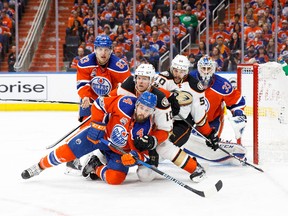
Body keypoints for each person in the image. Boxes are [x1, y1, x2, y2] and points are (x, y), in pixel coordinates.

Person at [101, 63, 207, 183]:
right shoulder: (128, 84)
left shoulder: (160, 100)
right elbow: (111, 98)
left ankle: (194, 167)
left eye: (145, 79)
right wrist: (103, 101)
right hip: (127, 128)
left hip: (147, 133)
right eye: (139, 78)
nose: (140, 82)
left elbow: (165, 131)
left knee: (146, 175)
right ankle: (100, 160)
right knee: (106, 134)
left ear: (152, 81)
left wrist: (152, 140)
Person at [21, 92, 156, 185]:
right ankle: (39, 166)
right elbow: (99, 104)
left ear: (152, 112)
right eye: (141, 107)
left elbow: (143, 154)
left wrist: (133, 158)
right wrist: (98, 125)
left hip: (117, 150)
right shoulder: (124, 103)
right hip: (99, 136)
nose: (143, 112)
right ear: (137, 104)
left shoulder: (147, 126)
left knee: (116, 179)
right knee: (67, 152)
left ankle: (95, 165)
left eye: (147, 110)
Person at [66, 34, 131, 172]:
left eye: (106, 49)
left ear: (111, 50)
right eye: (100, 49)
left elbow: (127, 89)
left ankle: (100, 158)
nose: (103, 53)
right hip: (90, 99)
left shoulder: (120, 66)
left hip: (111, 102)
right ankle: (72, 156)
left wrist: (110, 98)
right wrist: (84, 96)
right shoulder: (84, 63)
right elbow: (83, 83)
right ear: (94, 49)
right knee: (86, 128)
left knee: (107, 132)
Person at [187, 55, 247, 164]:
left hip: (212, 121)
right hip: (190, 120)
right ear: (198, 68)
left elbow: (236, 101)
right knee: (186, 139)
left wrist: (238, 113)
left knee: (209, 144)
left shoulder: (222, 85)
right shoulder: (188, 79)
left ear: (214, 69)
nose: (205, 72)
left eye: (208, 69)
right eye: (203, 68)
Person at [153, 54, 218, 150]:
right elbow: (152, 92)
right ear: (171, 68)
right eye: (175, 70)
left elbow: (199, 115)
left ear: (187, 71)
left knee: (165, 146)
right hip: (161, 119)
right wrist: (169, 97)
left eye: (182, 72)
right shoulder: (163, 78)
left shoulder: (195, 86)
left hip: (182, 122)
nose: (177, 74)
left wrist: (208, 134)